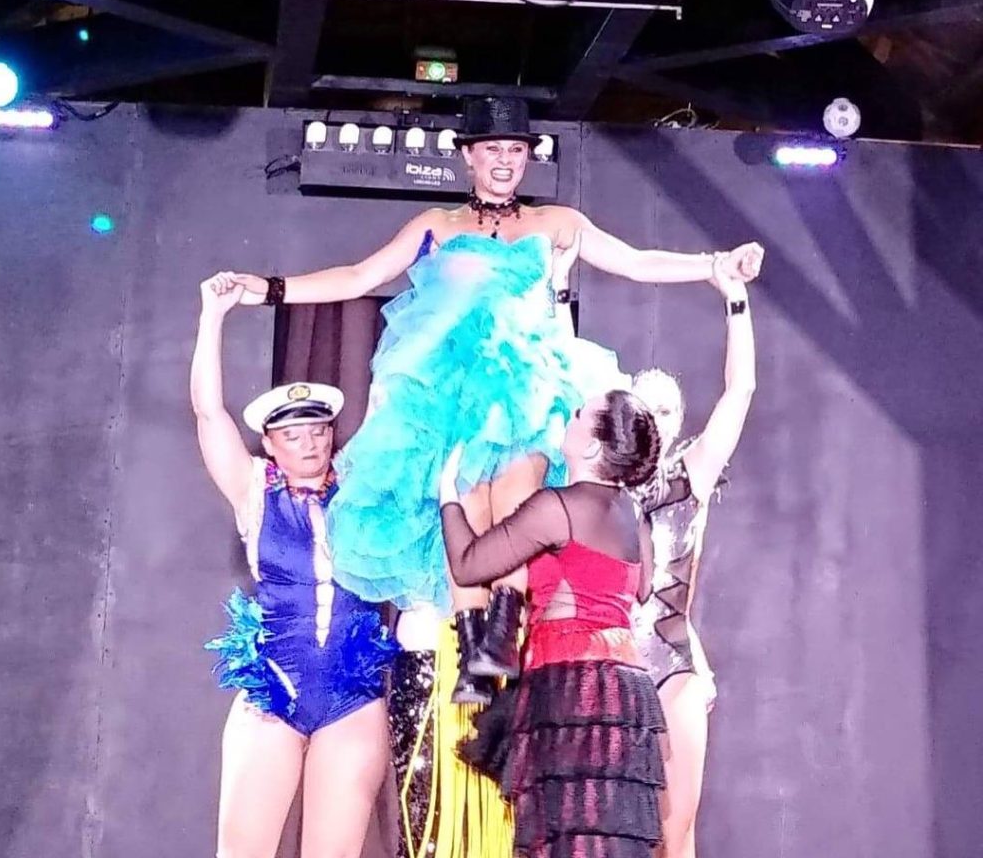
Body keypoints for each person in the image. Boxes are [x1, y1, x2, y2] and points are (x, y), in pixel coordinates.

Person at [215, 96, 763, 704]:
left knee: (515, 508)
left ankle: (501, 638)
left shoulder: (556, 222)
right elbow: (358, 277)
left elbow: (635, 262)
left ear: (528, 158)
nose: (505, 160)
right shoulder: (436, 226)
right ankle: (477, 656)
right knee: (467, 519)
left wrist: (717, 266)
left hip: (525, 388)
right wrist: (266, 289)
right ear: (469, 157)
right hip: (449, 396)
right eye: (493, 149)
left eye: (516, 150)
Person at [190, 271, 396, 858]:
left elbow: (392, 409)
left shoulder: (359, 485)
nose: (310, 443)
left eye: (318, 430)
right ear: (271, 444)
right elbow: (209, 413)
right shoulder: (254, 490)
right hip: (274, 691)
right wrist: (213, 316)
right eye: (294, 434)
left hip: (351, 697)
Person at [438, 389, 668, 858]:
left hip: (570, 687)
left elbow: (467, 564)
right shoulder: (634, 513)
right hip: (626, 695)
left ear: (592, 445)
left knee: (565, 838)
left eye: (580, 414)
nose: (571, 416)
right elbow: (643, 588)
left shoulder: (556, 509)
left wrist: (447, 497)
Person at [630, 255, 757, 858]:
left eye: (666, 410)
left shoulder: (691, 473)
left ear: (679, 420)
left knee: (674, 832)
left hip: (671, 662)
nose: (655, 420)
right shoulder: (599, 481)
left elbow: (741, 390)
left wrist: (735, 299)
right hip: (607, 666)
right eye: (643, 409)